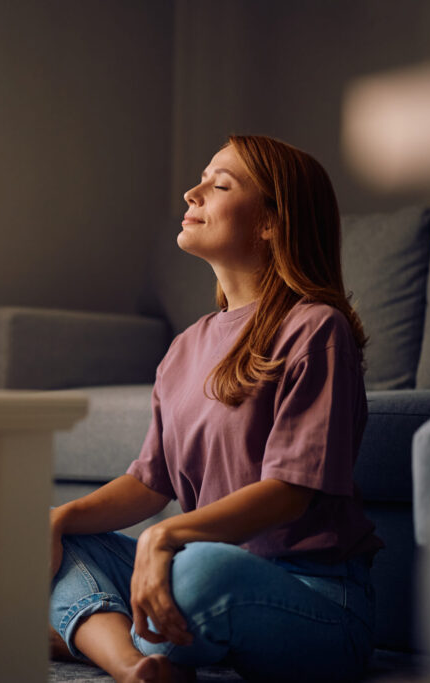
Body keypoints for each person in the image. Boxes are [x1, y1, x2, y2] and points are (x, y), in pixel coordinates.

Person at [48, 134, 384, 683]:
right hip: (201, 567)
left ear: (272, 222)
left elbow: (292, 492)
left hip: (311, 598)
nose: (191, 192)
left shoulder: (317, 328)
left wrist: (166, 536)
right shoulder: (185, 347)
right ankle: (138, 668)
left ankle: (84, 631)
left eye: (219, 184)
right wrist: (60, 520)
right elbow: (150, 485)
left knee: (197, 569)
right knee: (57, 539)